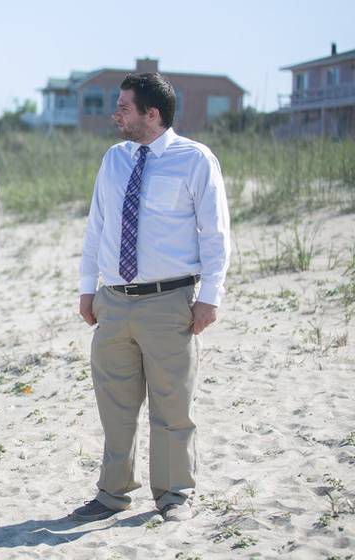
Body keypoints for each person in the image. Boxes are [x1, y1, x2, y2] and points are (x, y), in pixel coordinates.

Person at [72, 72, 231, 523]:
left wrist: (210, 298)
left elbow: (216, 235)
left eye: (123, 107)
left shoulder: (195, 159)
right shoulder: (114, 159)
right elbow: (97, 226)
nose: (114, 114)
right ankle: (112, 493)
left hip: (170, 301)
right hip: (114, 300)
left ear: (152, 113)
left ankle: (174, 494)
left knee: (172, 404)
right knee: (115, 404)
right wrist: (88, 289)